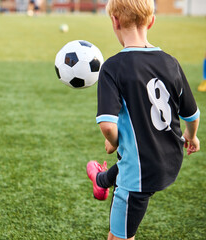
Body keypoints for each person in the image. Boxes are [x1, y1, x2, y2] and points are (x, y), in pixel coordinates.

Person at [85, 0, 200, 239]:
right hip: (171, 159)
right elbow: (192, 114)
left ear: (114, 21)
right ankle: (102, 180)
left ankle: (104, 182)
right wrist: (191, 135)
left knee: (119, 237)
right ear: (152, 21)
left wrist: (113, 141)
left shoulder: (112, 67)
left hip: (140, 173)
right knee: (138, 144)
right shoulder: (171, 62)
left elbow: (107, 125)